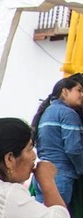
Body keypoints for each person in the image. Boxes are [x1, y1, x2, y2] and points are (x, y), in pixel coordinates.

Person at [30, 76, 83, 207]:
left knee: (42, 216)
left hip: (43, 174)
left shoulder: (47, 112)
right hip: (61, 175)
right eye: (79, 90)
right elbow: (73, 148)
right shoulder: (68, 114)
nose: (82, 95)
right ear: (65, 91)